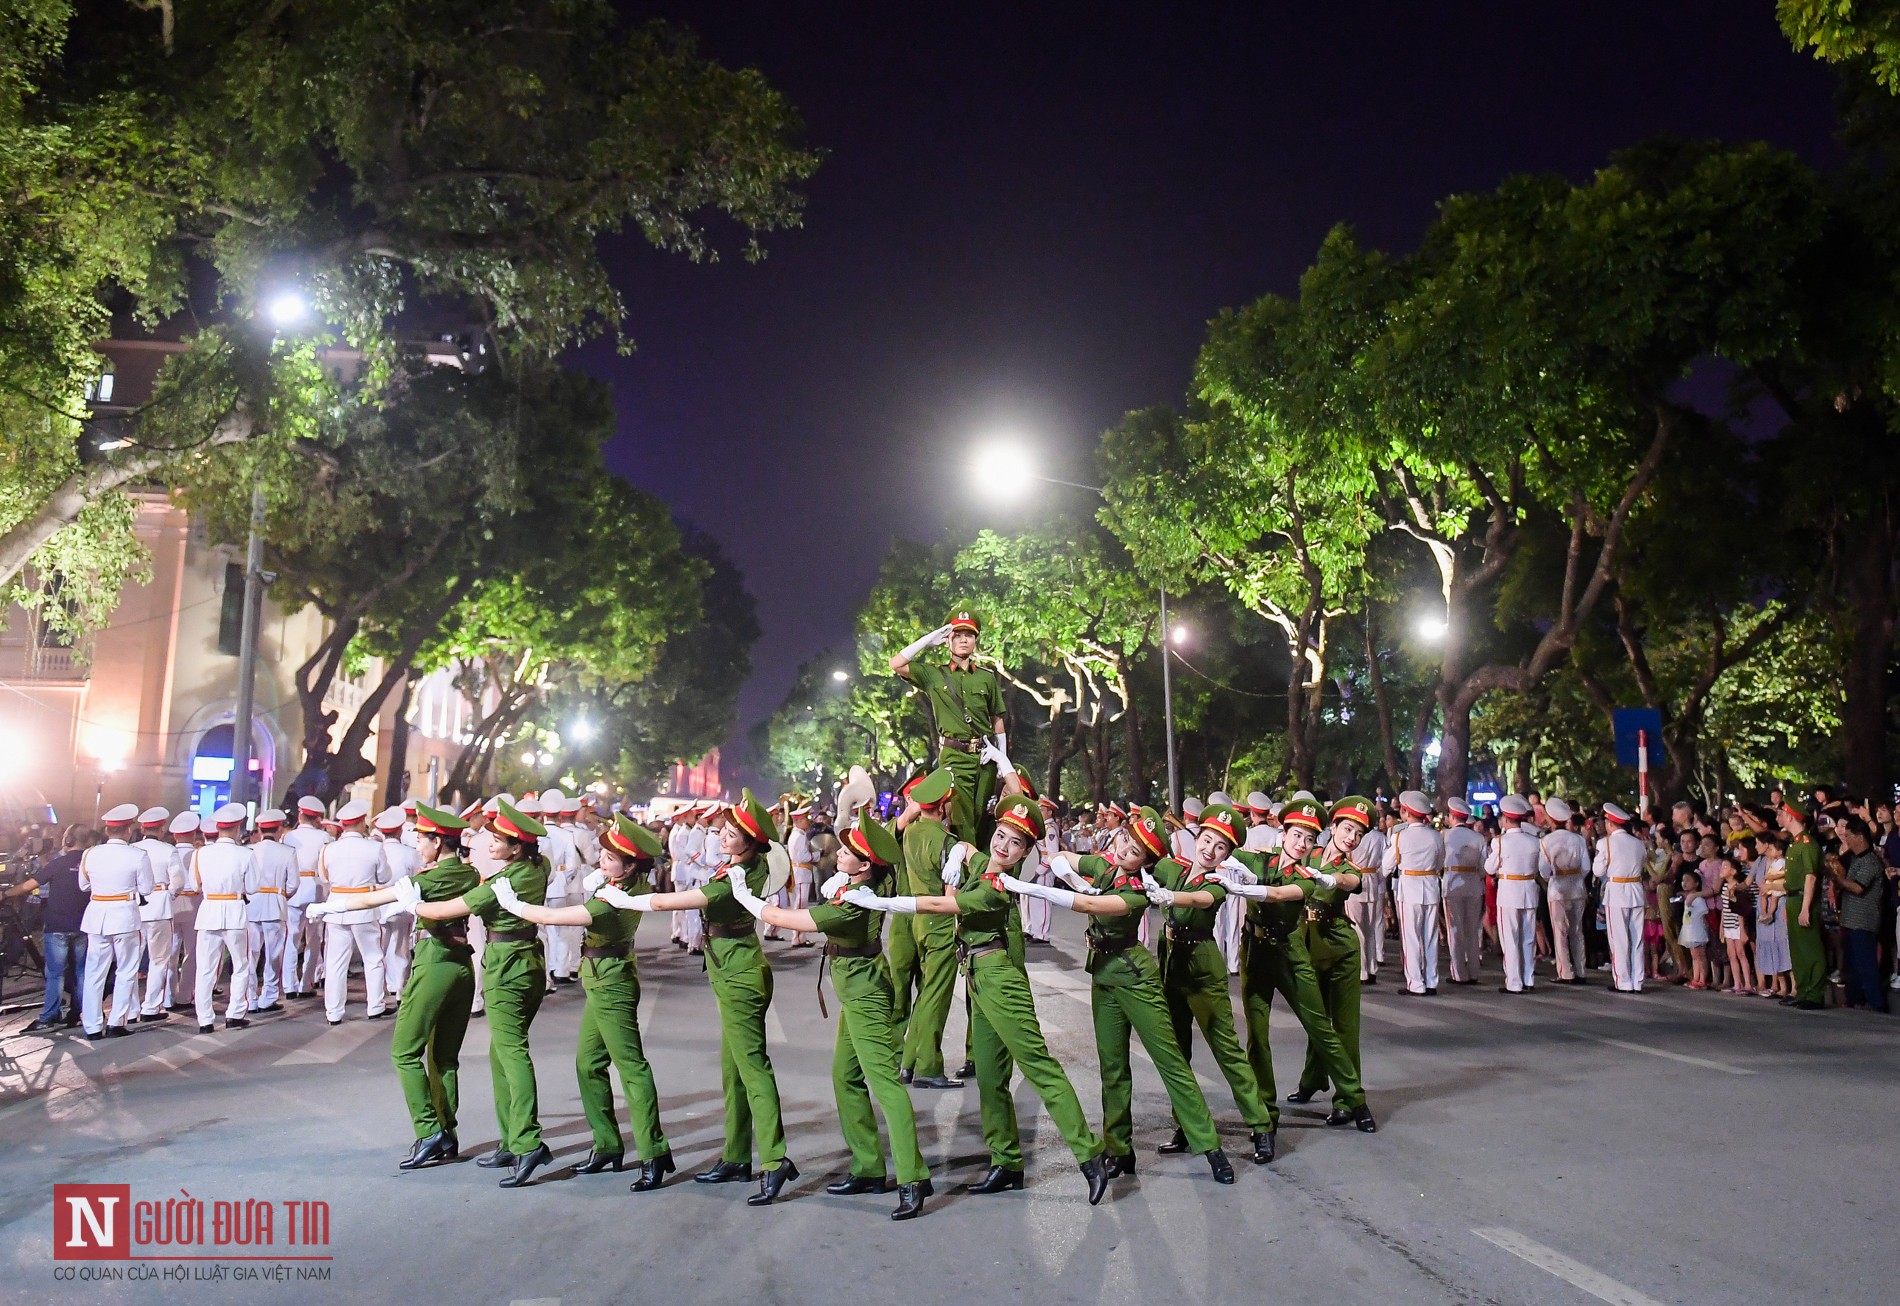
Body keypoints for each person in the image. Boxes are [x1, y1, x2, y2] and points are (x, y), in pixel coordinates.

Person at [846, 795, 1111, 1204]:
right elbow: (968, 852)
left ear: (1026, 853)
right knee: (989, 1077)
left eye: (1015, 844)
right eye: (1000, 836)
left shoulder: (998, 887)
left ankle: (1090, 1155)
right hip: (976, 977)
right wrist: (956, 848)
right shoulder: (982, 863)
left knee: (1039, 1066)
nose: (1004, 846)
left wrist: (883, 902)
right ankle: (1006, 1163)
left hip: (1000, 978)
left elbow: (942, 903)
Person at [1002, 805, 1235, 1186]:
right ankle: (1120, 1149)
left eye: (1137, 850)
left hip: (1135, 978)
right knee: (1112, 1067)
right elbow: (1060, 856)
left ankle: (1210, 1147)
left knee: (1171, 1063)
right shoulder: (1106, 865)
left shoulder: (1138, 889)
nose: (1126, 849)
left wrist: (1032, 887)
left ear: (1147, 860)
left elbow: (1092, 905)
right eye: (1127, 838)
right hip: (1104, 976)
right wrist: (1070, 875)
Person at [723, 808, 933, 1220]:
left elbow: (784, 918)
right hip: (855, 989)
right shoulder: (859, 886)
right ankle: (869, 1167)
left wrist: (745, 896)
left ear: (866, 865)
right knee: (846, 1076)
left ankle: (913, 1177)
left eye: (848, 851)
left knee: (885, 1085)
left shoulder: (853, 904)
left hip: (866, 995)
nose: (838, 853)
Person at [599, 791, 795, 1206]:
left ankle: (775, 1160)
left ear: (751, 842)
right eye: (723, 830)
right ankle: (738, 1156)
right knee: (734, 1070)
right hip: (733, 969)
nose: (723, 835)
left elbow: (678, 900)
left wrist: (626, 899)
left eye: (731, 832)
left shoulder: (733, 879)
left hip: (739, 975)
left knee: (752, 1069)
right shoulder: (745, 867)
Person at [491, 814, 677, 1192]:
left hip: (611, 981)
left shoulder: (612, 899)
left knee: (631, 1067)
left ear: (629, 867)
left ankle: (654, 1153)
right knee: (588, 1063)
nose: (601, 863)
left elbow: (553, 917)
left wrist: (513, 903)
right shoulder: (624, 883)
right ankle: (608, 1144)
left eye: (610, 859)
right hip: (601, 976)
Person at [313, 803, 482, 1170]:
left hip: (435, 961)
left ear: (438, 843)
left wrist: (330, 908)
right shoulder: (470, 874)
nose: (418, 844)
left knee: (404, 1052)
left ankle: (427, 1130)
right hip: (463, 965)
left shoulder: (427, 880)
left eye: (422, 839)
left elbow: (375, 898)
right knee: (444, 1058)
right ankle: (447, 1132)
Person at [397, 799, 553, 1188]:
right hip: (529, 959)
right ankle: (512, 1139)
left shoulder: (499, 885)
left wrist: (413, 904)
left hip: (506, 967)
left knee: (511, 1054)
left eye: (497, 839)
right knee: (499, 1053)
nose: (488, 843)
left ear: (516, 848)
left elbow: (449, 908)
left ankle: (528, 1141)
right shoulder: (539, 867)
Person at [1217, 798, 1370, 1147]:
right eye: (1297, 835)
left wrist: (1248, 888)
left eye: (1308, 839)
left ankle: (1353, 1097)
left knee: (1322, 1024)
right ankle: (1265, 1114)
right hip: (1256, 950)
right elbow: (1227, 854)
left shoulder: (1307, 873)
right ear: (1282, 833)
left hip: (1294, 949)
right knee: (1257, 1034)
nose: (1302, 844)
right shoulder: (1264, 857)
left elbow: (1340, 882)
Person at [1136, 803, 1276, 1164]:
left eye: (1220, 848)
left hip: (1202, 965)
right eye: (1208, 840)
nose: (1210, 850)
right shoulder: (1174, 867)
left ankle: (1261, 1126)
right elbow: (1143, 860)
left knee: (1225, 1048)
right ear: (1198, 837)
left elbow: (1199, 899)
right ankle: (1185, 1125)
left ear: (1227, 855)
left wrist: (1170, 896)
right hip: (1171, 961)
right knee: (1177, 1051)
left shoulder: (1217, 881)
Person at [1283, 796, 1379, 1131]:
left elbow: (1350, 882)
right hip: (1304, 943)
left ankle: (1346, 1100)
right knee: (1315, 1020)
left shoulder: (1348, 868)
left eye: (1358, 834)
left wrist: (1331, 880)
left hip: (1339, 946)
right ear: (1333, 827)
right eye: (1347, 829)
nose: (1352, 837)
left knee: (1344, 1026)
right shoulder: (1307, 853)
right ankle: (1312, 1079)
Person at [889, 608, 1008, 846]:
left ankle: (980, 875)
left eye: (969, 635)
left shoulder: (986, 677)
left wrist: (1003, 759)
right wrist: (927, 639)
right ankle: (967, 878)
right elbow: (897, 663)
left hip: (985, 758)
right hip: (954, 756)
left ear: (976, 640)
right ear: (947, 641)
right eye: (957, 635)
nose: (964, 639)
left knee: (981, 818)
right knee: (960, 821)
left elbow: (997, 719)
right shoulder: (934, 674)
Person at [894, 767, 964, 1089]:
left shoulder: (910, 832)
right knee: (936, 996)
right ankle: (929, 1067)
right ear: (943, 804)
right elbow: (953, 895)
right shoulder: (946, 842)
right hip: (941, 923)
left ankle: (908, 1062)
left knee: (925, 996)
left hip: (919, 922)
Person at [76, 804, 156, 1040]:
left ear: (107, 830)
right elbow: (147, 888)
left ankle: (91, 1025)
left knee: (94, 972)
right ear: (129, 829)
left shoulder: (90, 853)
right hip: (124, 916)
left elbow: (83, 885)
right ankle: (116, 1022)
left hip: (97, 915)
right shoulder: (137, 855)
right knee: (126, 971)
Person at [8, 823, 91, 1032]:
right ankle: (79, 1013)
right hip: (84, 927)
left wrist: (5, 894)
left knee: (56, 973)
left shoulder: (58, 863)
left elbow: (29, 886)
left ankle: (49, 1017)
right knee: (81, 972)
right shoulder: (91, 864)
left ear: (68, 840)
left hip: (57, 927)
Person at [318, 800, 392, 1024]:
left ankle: (334, 1012)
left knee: (335, 961)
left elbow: (324, 878)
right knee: (372, 957)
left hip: (337, 906)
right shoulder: (374, 847)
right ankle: (375, 1005)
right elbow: (384, 877)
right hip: (363, 905)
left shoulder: (328, 849)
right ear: (361, 822)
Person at [188, 803, 259, 1032]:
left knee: (206, 968)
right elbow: (253, 887)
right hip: (234, 911)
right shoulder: (246, 854)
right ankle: (235, 1013)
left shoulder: (200, 854)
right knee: (240, 965)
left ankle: (205, 1019)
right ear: (238, 828)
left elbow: (194, 885)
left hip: (208, 910)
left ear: (217, 828)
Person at [1384, 791, 1445, 995]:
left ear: (1406, 813)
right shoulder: (1436, 836)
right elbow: (1440, 863)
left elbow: (1386, 866)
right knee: (1430, 936)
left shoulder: (1400, 836)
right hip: (1430, 886)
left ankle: (1415, 983)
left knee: (1411, 938)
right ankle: (1431, 981)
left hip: (1409, 888)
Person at [1827, 815, 1887, 1012]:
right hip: (1850, 919)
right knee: (1851, 964)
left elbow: (1858, 888)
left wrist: (1836, 879)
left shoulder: (1870, 861)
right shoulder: (1853, 858)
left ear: (1860, 837)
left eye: (1850, 836)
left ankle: (1877, 1003)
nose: (1847, 840)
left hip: (1864, 920)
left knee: (1866, 963)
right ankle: (1853, 999)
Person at [1487, 795, 1542, 994]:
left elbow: (1489, 867)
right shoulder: (1535, 841)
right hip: (1528, 890)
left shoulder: (1500, 842)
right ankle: (1528, 978)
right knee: (1528, 938)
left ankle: (1514, 981)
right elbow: (1543, 870)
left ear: (1507, 819)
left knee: (1510, 938)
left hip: (1509, 891)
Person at [244, 809, 296, 1015]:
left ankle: (250, 997)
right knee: (274, 955)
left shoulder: (249, 850)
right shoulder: (288, 851)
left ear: (259, 828)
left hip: (252, 904)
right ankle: (269, 995)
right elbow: (293, 884)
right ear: (279, 829)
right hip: (275, 903)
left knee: (250, 954)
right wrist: (281, 895)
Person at [1593, 803, 1648, 993]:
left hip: (1616, 891)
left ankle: (1623, 981)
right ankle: (1637, 980)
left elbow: (1598, 870)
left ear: (1610, 824)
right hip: (1636, 890)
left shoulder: (1605, 843)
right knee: (1637, 938)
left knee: (1619, 938)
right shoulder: (1638, 843)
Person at [1778, 801, 1827, 1010]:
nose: (1779, 817)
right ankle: (1803, 989)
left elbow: (1811, 877)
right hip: (1793, 898)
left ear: (1790, 816)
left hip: (1803, 898)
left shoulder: (1807, 843)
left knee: (1810, 947)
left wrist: (1805, 907)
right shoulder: (1795, 842)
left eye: (1781, 813)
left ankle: (1814, 993)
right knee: (1797, 948)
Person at [281, 796, 332, 1000]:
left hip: (294, 889)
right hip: (316, 888)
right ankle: (306, 983)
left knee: (291, 938)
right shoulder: (324, 838)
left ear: (300, 815)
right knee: (314, 939)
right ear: (317, 818)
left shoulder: (289, 836)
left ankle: (289, 984)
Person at [132, 808, 178, 1021]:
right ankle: (151, 1006)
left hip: (134, 907)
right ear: (162, 829)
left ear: (142, 828)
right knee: (159, 960)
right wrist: (169, 895)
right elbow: (177, 881)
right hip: (159, 906)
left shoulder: (132, 848)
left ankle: (130, 1009)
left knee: (130, 961)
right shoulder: (168, 850)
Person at [1539, 798, 1589, 984]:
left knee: (1560, 931)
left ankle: (1566, 971)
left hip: (1557, 888)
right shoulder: (1578, 840)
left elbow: (1544, 871)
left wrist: (1554, 876)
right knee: (1577, 930)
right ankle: (1581, 970)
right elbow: (1586, 867)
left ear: (1551, 819)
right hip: (1577, 887)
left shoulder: (1546, 841)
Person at [374, 806, 419, 1002]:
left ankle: (382, 989)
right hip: (401, 904)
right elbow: (417, 878)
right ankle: (399, 988)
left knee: (378, 949)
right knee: (400, 948)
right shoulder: (409, 853)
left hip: (377, 903)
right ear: (400, 830)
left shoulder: (375, 849)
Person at [1441, 798, 1486, 984]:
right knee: (1472, 929)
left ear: (1452, 816)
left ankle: (1459, 973)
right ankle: (1474, 971)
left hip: (1452, 884)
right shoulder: (1478, 837)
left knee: (1455, 930)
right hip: (1474, 884)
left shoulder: (1444, 835)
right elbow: (1484, 868)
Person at [165, 811, 203, 1010]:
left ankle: (168, 996)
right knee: (192, 952)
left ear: (174, 835)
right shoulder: (199, 853)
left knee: (170, 952)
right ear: (194, 833)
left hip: (171, 903)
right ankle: (184, 995)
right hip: (193, 903)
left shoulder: (167, 851)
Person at [1677, 868, 1711, 988]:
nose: (1684, 883)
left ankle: (1703, 979)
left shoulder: (1698, 899)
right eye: (1683, 880)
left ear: (1696, 883)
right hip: (1689, 930)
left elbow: (1703, 915)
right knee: (1694, 956)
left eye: (1688, 880)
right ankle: (1695, 978)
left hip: (1697, 930)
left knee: (1700, 956)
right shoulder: (1688, 898)